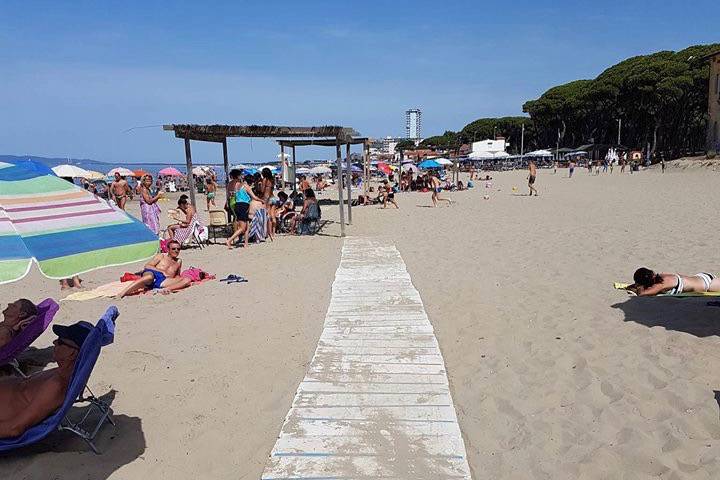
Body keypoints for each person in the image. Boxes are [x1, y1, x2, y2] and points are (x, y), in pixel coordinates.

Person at [0, 320, 93, 439]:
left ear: (72, 353)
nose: (54, 342)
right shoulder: (60, 372)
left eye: (60, 342)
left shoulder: (56, 386)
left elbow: (15, 428)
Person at [119, 240, 191, 297]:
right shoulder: (161, 256)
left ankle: (165, 290)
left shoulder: (179, 261)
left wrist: (178, 281)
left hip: (164, 281)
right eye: (173, 249)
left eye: (178, 249)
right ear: (168, 249)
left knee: (187, 280)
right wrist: (162, 271)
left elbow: (177, 275)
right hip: (153, 273)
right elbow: (147, 266)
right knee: (149, 277)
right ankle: (123, 293)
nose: (176, 251)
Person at [226, 175, 262, 249]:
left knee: (247, 226)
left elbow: (235, 194)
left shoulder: (237, 185)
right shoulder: (246, 187)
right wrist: (262, 200)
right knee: (242, 228)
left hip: (237, 205)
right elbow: (254, 197)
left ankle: (246, 243)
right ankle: (229, 240)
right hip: (243, 206)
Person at [627, 268, 720, 296]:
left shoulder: (660, 284)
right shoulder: (661, 276)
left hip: (707, 284)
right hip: (700, 278)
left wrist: (639, 286)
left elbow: (642, 294)